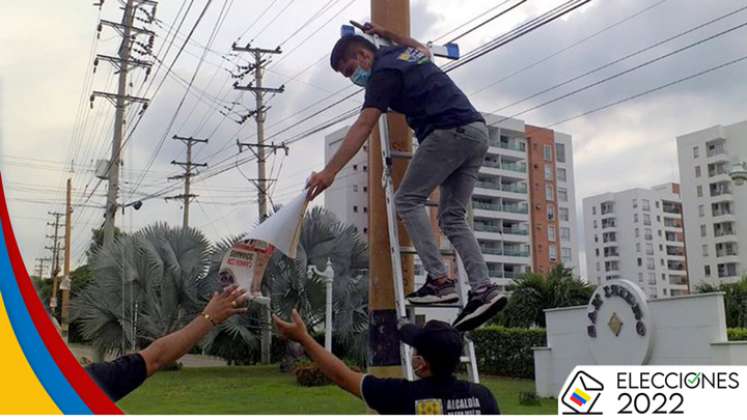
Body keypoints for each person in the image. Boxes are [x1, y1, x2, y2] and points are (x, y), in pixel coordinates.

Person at [305, 22, 506, 331]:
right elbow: (420, 46)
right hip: (476, 134)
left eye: (349, 71)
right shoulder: (406, 54)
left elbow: (364, 125)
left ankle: (439, 281)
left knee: (407, 200)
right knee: (452, 218)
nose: (352, 78)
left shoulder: (382, 73)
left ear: (363, 55)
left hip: (447, 132)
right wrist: (387, 31)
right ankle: (483, 289)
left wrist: (329, 173)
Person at [273, 309, 500, 415]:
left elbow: (342, 376)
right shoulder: (482, 397)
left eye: (415, 350)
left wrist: (303, 337)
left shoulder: (402, 396)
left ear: (422, 363)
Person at [84, 285, 248, 402]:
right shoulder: (82, 386)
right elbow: (155, 358)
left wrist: (209, 317)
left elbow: (155, 358)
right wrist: (208, 318)